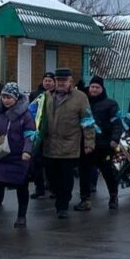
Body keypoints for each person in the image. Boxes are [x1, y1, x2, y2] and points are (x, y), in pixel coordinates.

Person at [42, 68, 95, 219]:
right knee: (52, 178)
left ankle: (62, 206)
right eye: (58, 80)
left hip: (69, 145)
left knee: (66, 178)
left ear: (70, 81)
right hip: (50, 144)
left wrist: (89, 142)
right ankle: (60, 197)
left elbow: (88, 121)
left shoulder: (80, 97)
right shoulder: (47, 96)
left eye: (64, 80)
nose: (60, 83)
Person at [0, 83, 35, 228]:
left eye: (9, 97)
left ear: (16, 98)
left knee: (21, 186)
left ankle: (21, 216)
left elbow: (30, 134)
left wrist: (27, 151)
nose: (6, 100)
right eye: (4, 97)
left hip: (19, 157)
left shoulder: (25, 116)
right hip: (1, 156)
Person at [74, 76, 122, 211]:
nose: (94, 89)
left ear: (102, 89)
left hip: (104, 144)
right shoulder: (84, 102)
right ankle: (85, 200)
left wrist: (115, 139)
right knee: (84, 172)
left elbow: (117, 123)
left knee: (107, 172)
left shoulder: (110, 104)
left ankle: (113, 196)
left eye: (97, 87)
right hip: (86, 144)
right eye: (92, 87)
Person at [29, 73, 56, 199]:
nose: (48, 83)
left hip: (51, 134)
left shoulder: (57, 95)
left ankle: (53, 188)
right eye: (46, 80)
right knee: (36, 163)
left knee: (51, 164)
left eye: (50, 81)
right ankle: (39, 188)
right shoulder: (35, 95)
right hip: (37, 134)